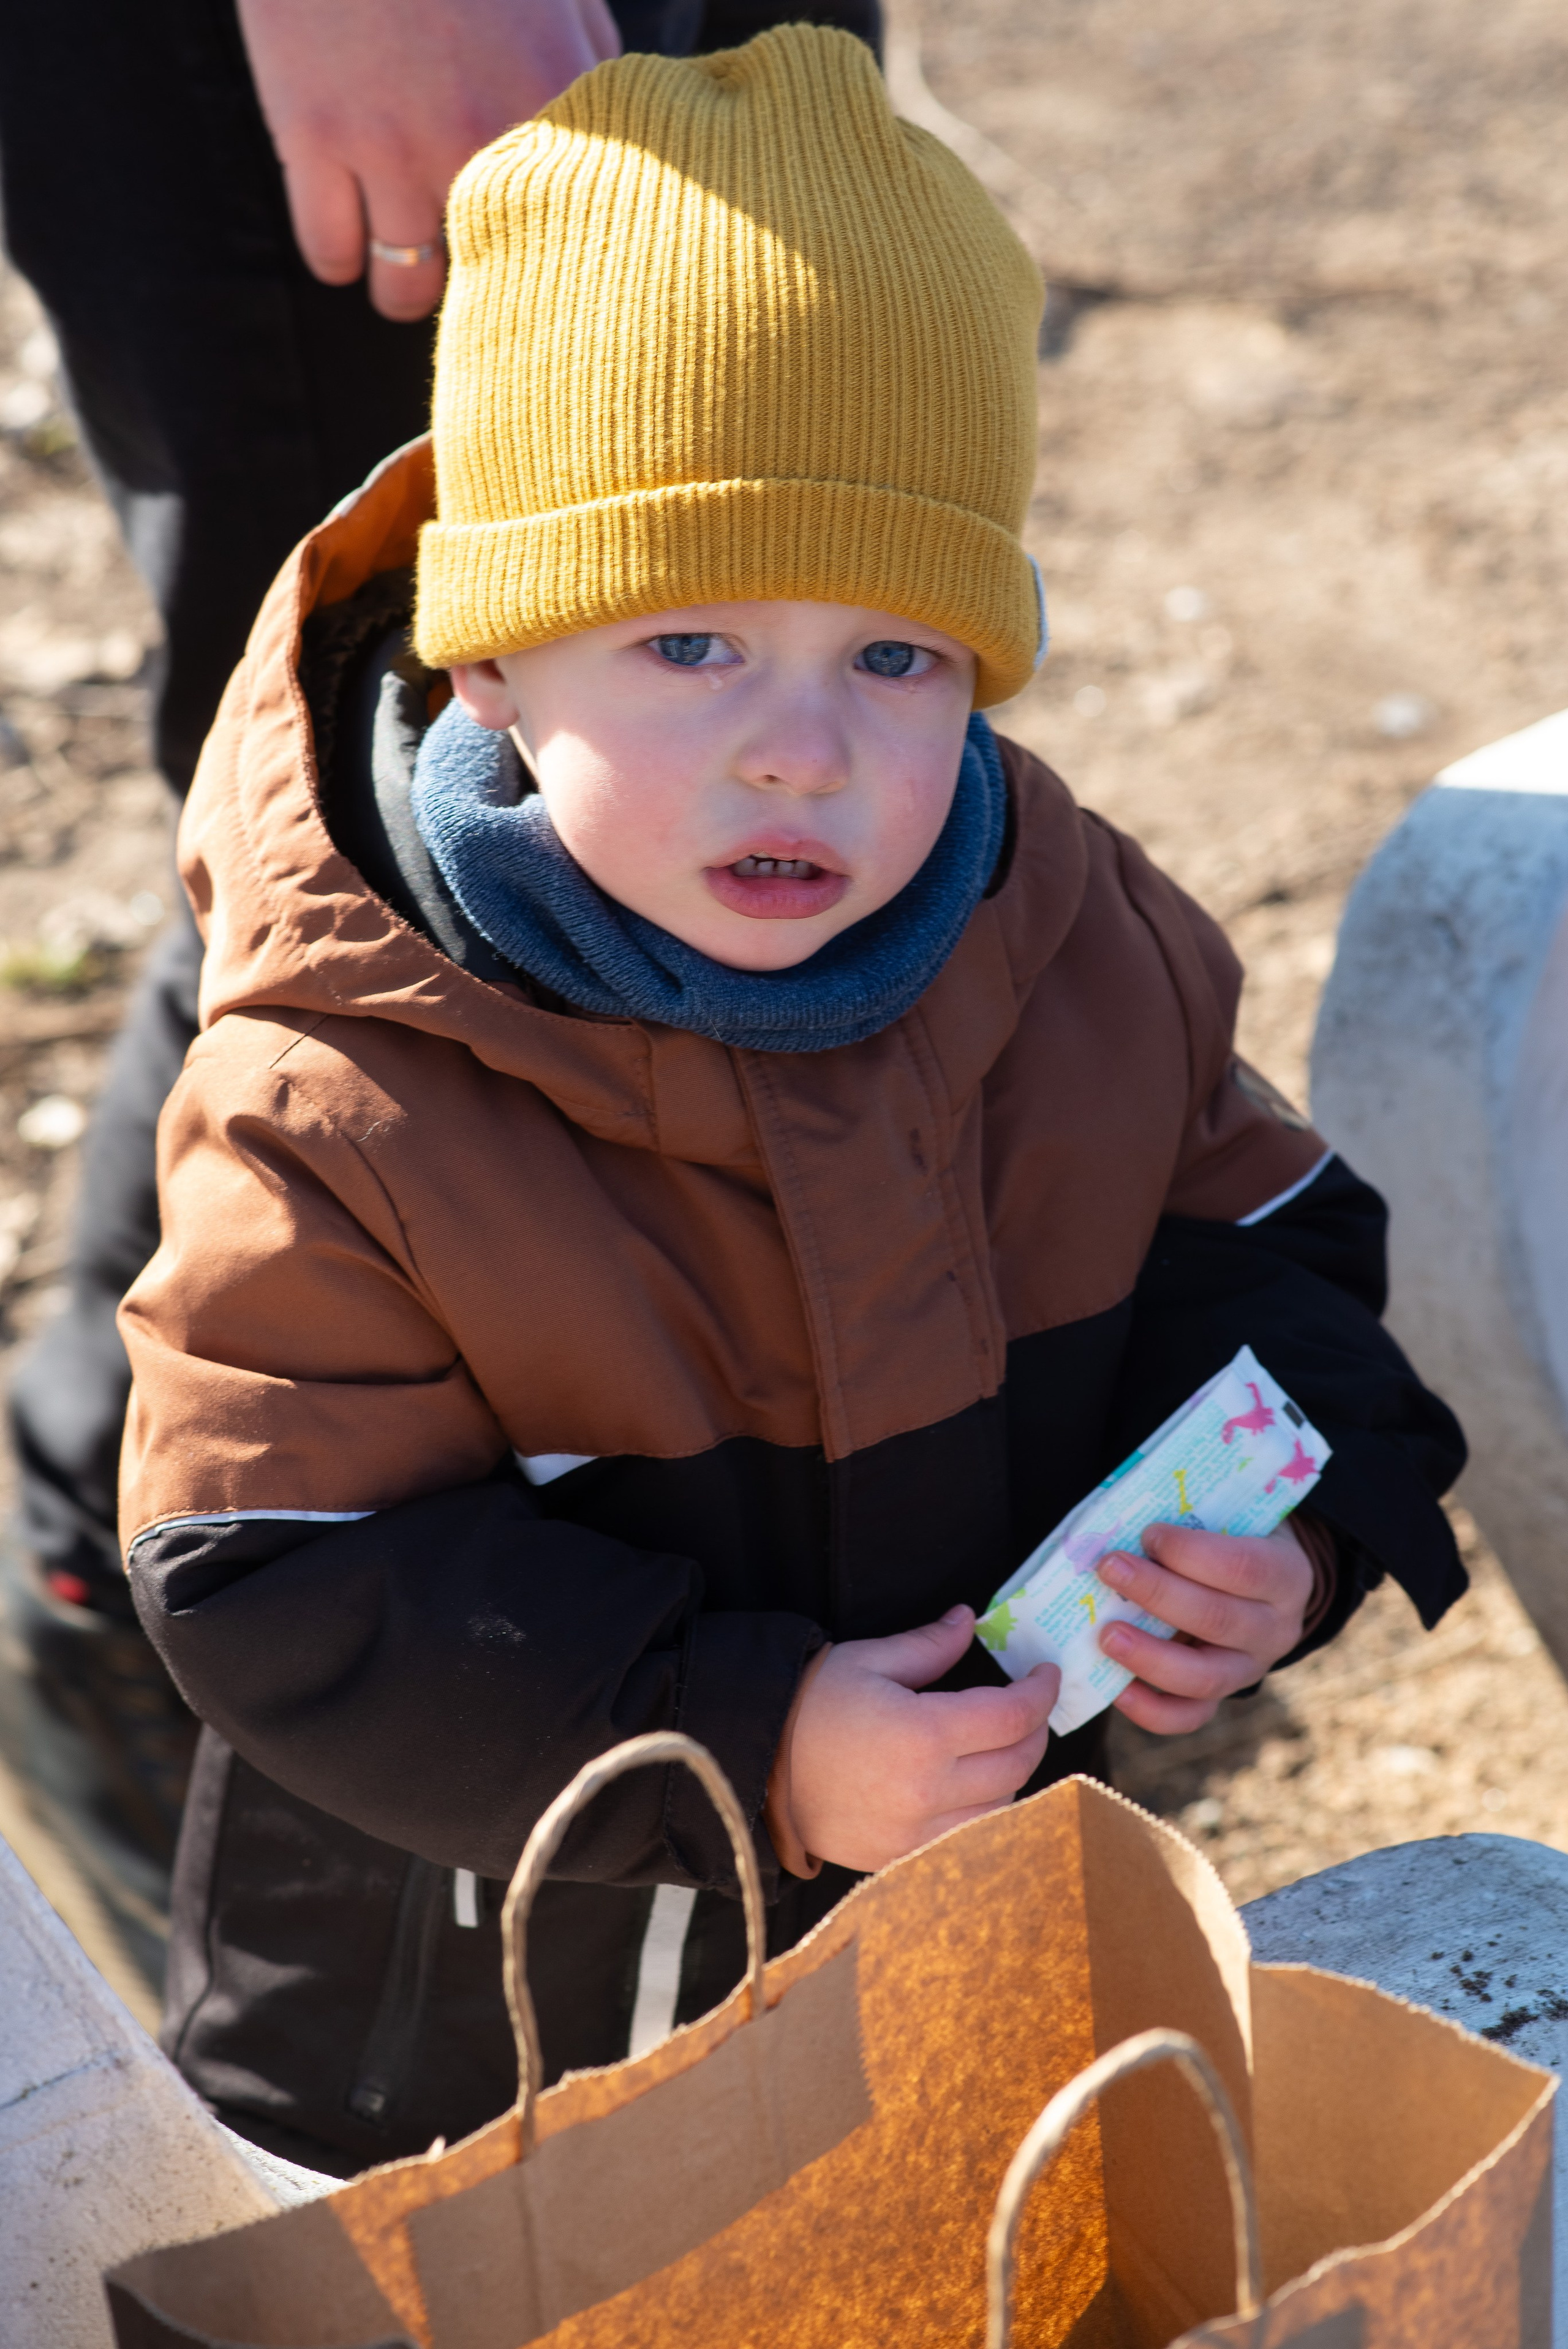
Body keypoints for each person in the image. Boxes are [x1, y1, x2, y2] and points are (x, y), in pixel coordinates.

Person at [116, 26, 1466, 2176]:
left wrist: (1292, 1531)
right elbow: (273, 1561)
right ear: (491, 653)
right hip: (470, 2045)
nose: (801, 752)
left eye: (896, 655)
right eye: (688, 647)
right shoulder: (346, 1087)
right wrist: (743, 1736)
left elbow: (1278, 1259)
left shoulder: (1069, 937)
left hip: (959, 1977)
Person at [0, 0, 879, 1931]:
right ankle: (118, 1576)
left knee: (744, 680)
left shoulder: (1063, 916)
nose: (813, 742)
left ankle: (709, 1584)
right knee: (360, 836)